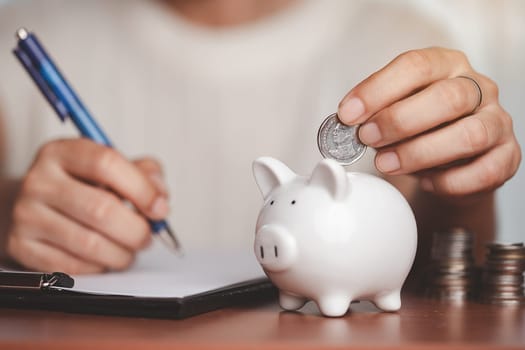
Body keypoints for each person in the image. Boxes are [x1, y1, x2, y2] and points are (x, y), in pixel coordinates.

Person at [0, 0, 520, 274]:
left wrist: (462, 194)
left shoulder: (403, 40)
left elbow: (445, 280)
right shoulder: (20, 35)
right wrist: (7, 213)